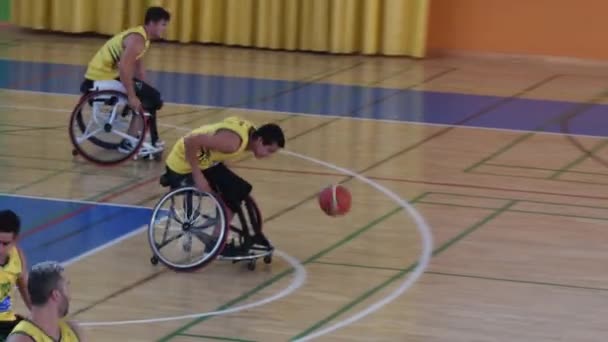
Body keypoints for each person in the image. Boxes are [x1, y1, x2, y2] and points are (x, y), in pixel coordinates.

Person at [162, 116, 285, 255]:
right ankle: (215, 245)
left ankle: (248, 236)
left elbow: (225, 125)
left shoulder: (249, 132)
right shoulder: (232, 144)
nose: (269, 155)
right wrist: (198, 176)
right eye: (269, 151)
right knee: (231, 199)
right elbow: (190, 141)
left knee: (241, 189)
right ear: (260, 140)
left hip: (206, 162)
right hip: (182, 167)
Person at [80, 6, 171, 157]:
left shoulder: (143, 37)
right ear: (153, 23)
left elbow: (139, 70)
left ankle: (147, 138)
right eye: (163, 24)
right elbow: (123, 68)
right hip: (100, 79)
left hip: (108, 75)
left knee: (152, 96)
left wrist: (147, 89)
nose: (165, 28)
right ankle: (129, 143)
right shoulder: (137, 40)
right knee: (149, 97)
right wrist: (132, 96)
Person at [7, 261, 82, 342]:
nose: (70, 297)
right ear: (56, 295)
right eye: (66, 286)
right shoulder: (22, 339)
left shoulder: (74, 330)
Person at [0, 210, 31, 340]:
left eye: (5, 244)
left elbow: (25, 288)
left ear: (15, 240)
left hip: (7, 323)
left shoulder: (17, 256)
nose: (0, 248)